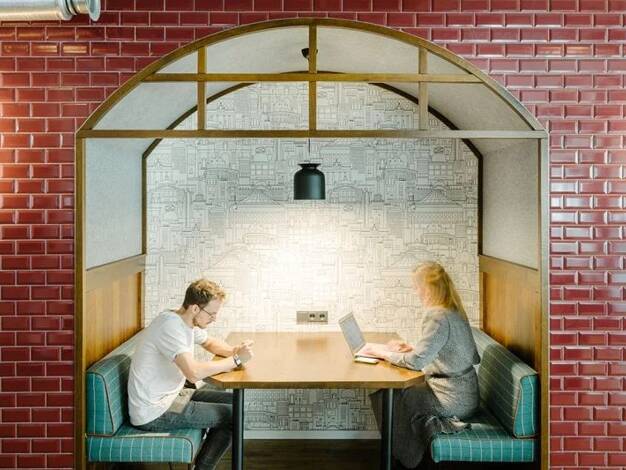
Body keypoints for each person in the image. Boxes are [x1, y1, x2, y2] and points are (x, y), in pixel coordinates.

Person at [361, 261, 480, 469]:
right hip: (466, 393)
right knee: (395, 394)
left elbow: (417, 362)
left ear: (427, 288)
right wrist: (412, 348)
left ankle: (404, 458)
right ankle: (401, 454)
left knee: (391, 396)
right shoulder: (453, 310)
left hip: (452, 399)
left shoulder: (437, 316)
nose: (416, 292)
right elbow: (448, 350)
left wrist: (382, 353)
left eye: (417, 287)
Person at [127, 279, 253, 470]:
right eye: (212, 314)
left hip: (173, 397)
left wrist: (234, 350)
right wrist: (235, 360)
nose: (214, 319)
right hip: (154, 411)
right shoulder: (170, 327)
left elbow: (210, 342)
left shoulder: (182, 320)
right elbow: (193, 373)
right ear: (195, 308)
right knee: (232, 415)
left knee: (236, 403)